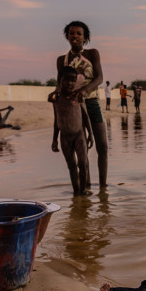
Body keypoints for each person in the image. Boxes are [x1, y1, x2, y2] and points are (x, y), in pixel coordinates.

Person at [57, 20, 108, 188]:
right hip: (72, 107)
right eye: (72, 33)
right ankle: (85, 188)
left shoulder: (93, 53)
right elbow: (60, 84)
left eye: (79, 33)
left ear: (85, 37)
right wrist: (55, 94)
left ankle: (103, 189)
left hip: (91, 102)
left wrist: (84, 90)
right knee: (82, 150)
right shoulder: (62, 60)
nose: (75, 36)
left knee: (102, 146)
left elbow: (99, 78)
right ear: (67, 36)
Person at [49, 66, 94, 195]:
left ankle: (83, 191)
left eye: (73, 80)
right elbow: (56, 120)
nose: (70, 83)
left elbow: (85, 117)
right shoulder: (56, 99)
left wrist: (90, 134)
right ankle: (76, 192)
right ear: (60, 81)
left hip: (79, 135)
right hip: (64, 137)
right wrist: (54, 140)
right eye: (66, 80)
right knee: (71, 166)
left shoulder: (78, 97)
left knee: (82, 164)